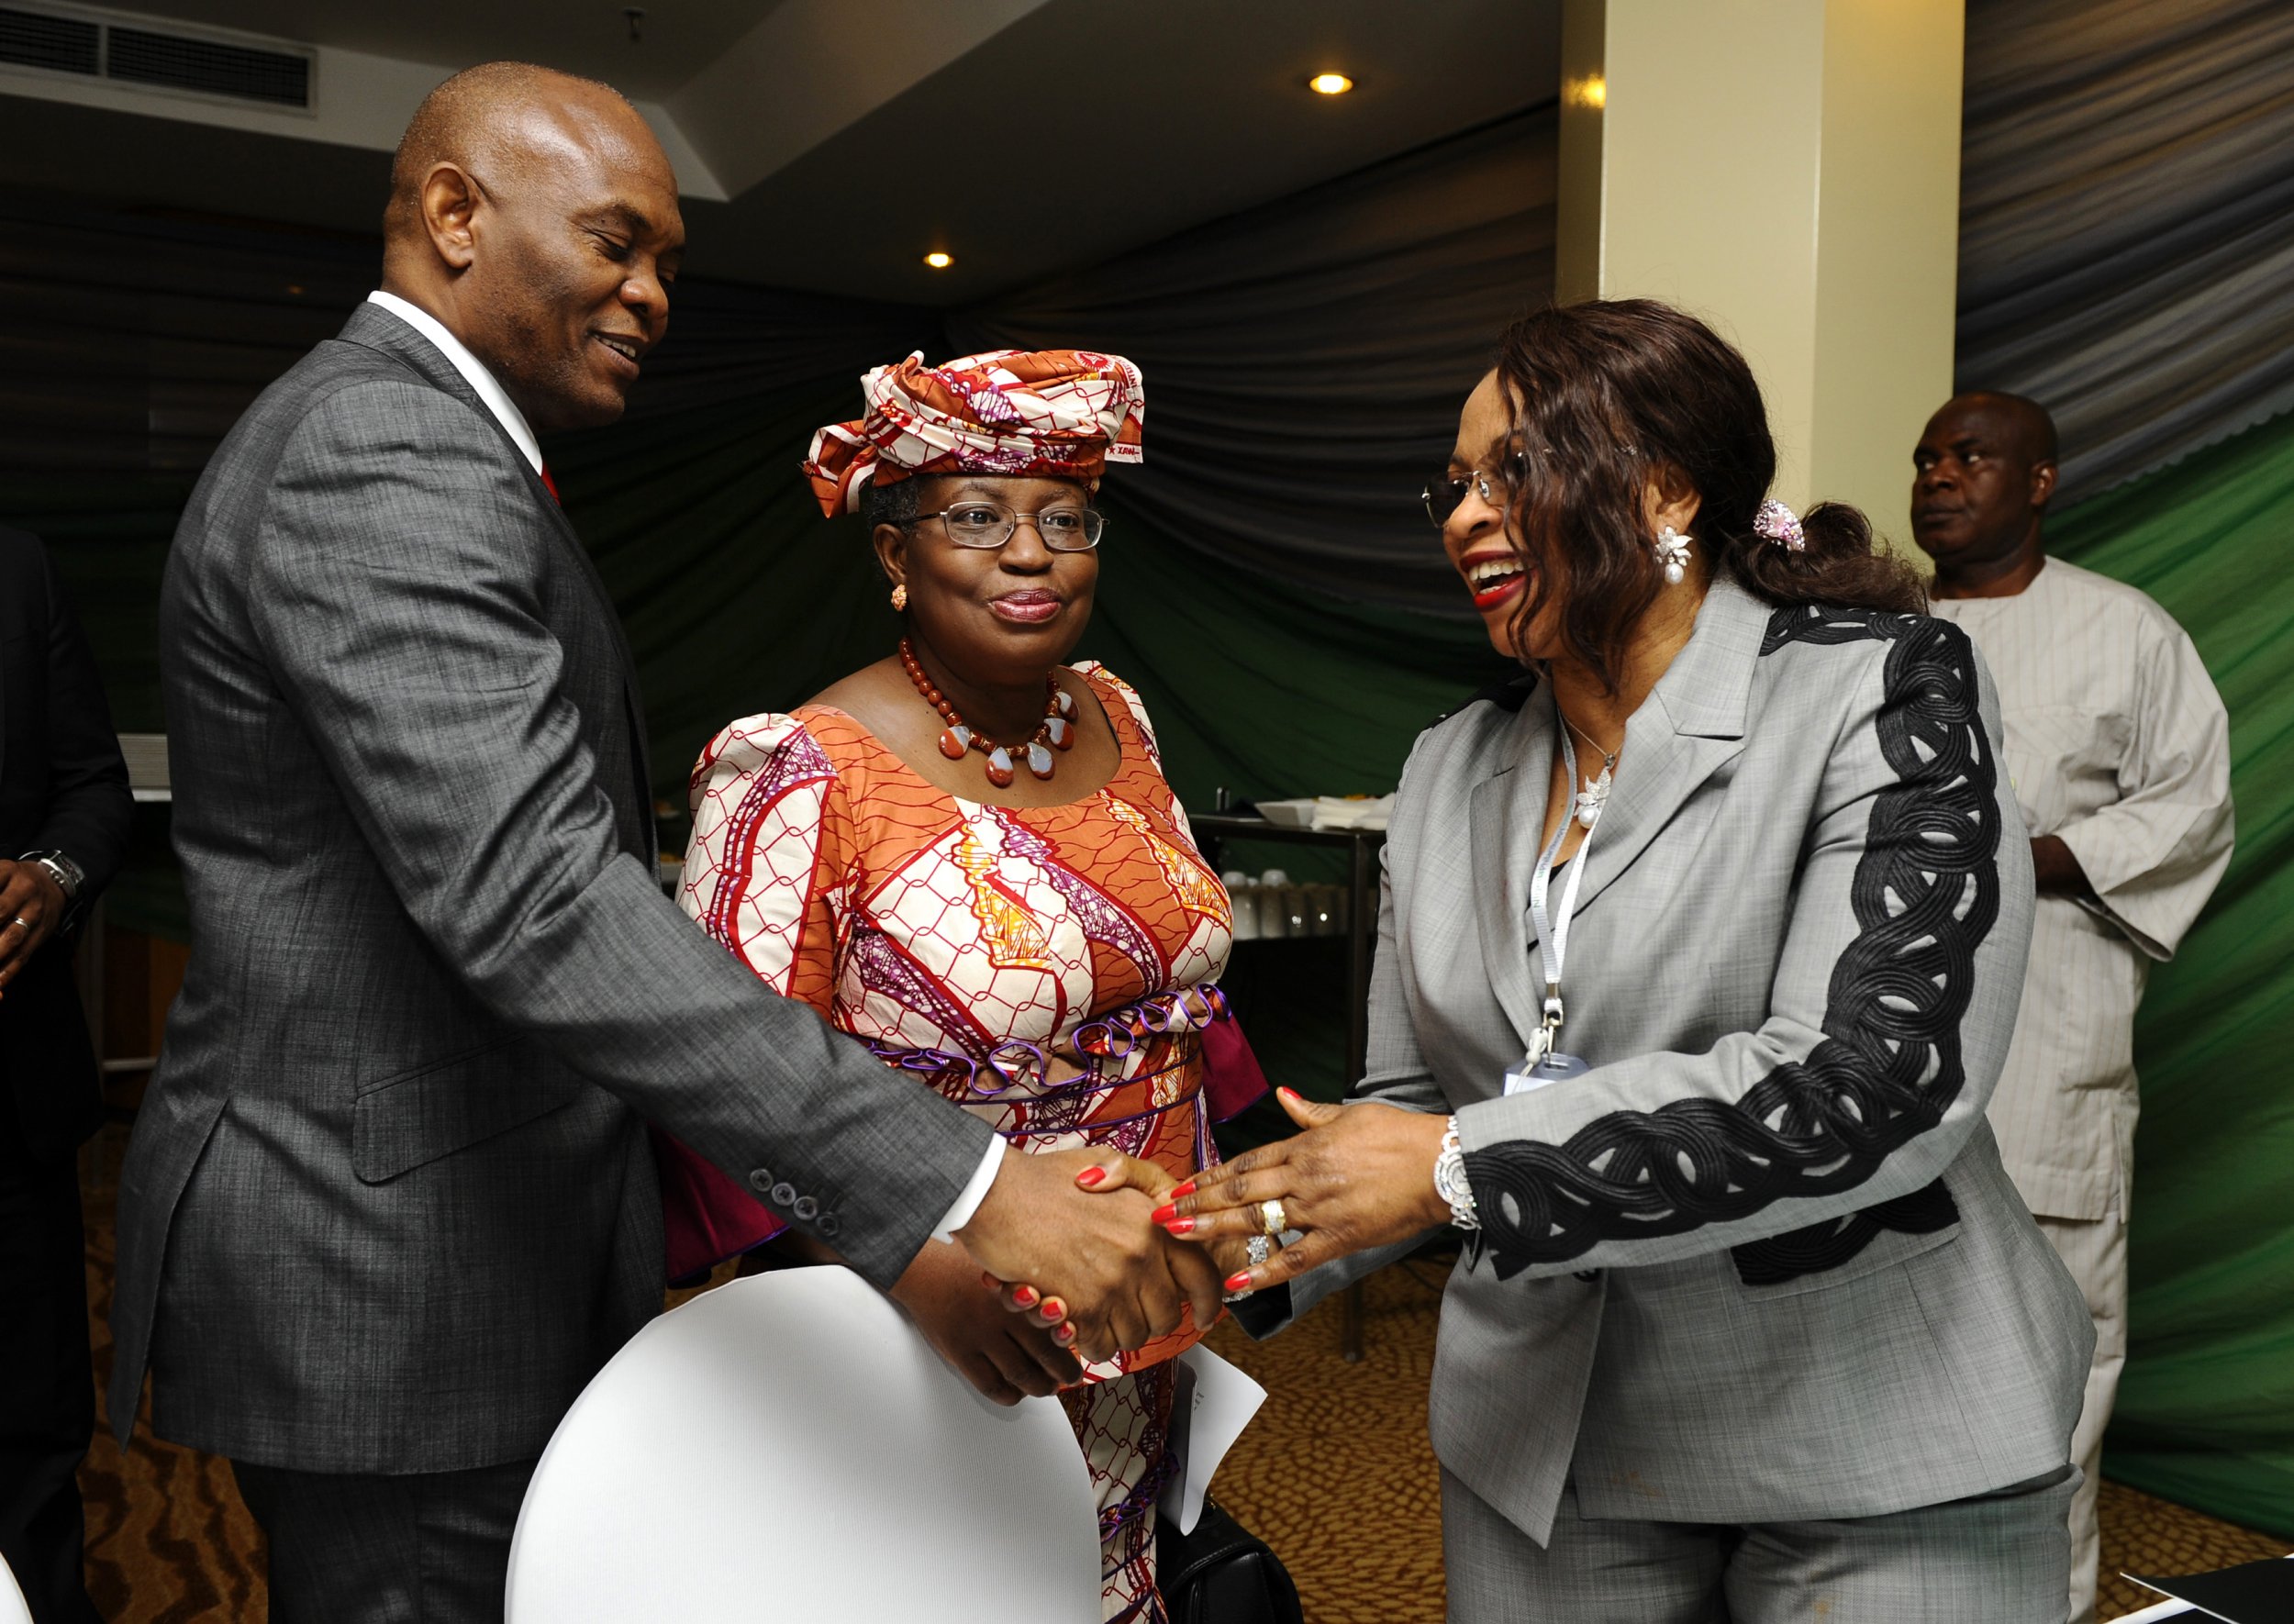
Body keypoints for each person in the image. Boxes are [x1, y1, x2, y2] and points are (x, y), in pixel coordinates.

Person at [106, 64, 1216, 1624]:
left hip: (464, 1243)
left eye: (670, 269)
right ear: (451, 215)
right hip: (397, 1279)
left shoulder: (437, 447)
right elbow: (537, 902)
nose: (651, 296)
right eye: (618, 245)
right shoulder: (383, 450)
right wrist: (967, 1186)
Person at [1138, 301, 2096, 1619]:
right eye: (1454, 485)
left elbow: (1875, 1079)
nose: (1465, 515)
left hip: (1875, 1431)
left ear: (1662, 490)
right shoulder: (1445, 769)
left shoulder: (1883, 689)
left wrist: (1460, 1166)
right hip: (1552, 1450)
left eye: (1512, 471)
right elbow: (1411, 1109)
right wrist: (1196, 1238)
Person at [663, 348, 1245, 1622]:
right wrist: (919, 1268)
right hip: (931, 1325)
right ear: (894, 555)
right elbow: (721, 1087)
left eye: (1065, 517)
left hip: (1142, 1317)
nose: (1028, 552)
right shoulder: (795, 770)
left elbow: (1168, 989)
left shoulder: (1120, 716)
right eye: (976, 515)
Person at [1911, 391, 2233, 1624]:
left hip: (2051, 1035)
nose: (1941, 477)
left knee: (2055, 1340)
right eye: (1928, 459)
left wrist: (2021, 857)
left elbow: (2191, 806)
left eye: (1972, 457)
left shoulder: (2123, 632)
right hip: (1881, 1047)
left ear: (2039, 480)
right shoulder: (1861, 634)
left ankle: (2040, 1601)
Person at [0, 526, 130, 1624]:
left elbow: (94, 784)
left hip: (9, 1112)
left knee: (33, 1451)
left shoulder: (20, 567)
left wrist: (52, 874)